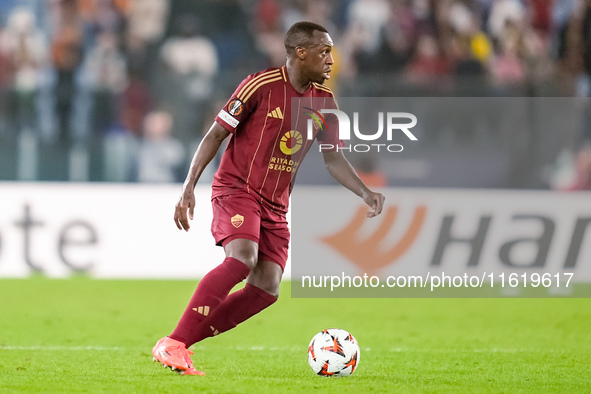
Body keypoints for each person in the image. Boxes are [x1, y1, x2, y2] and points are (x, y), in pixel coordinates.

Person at [152, 21, 385, 376]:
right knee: (242, 259)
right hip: (237, 189)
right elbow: (216, 133)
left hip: (276, 204)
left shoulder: (325, 102)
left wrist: (365, 192)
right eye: (324, 51)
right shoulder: (260, 85)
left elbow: (333, 158)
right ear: (300, 53)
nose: (331, 59)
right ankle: (173, 343)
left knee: (266, 288)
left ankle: (178, 343)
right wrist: (188, 187)